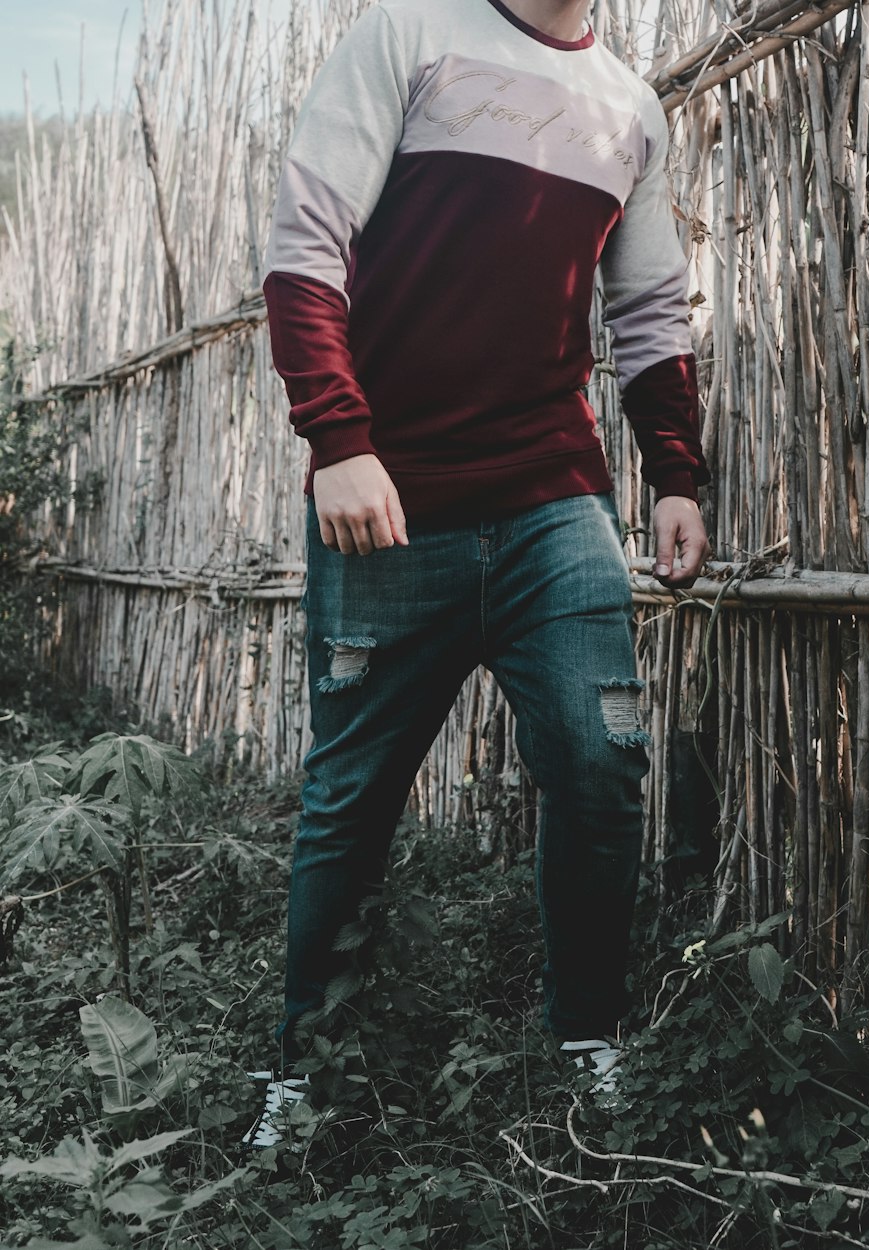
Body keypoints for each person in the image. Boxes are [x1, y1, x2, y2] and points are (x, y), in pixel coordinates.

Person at [241, 0, 710, 1150]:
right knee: (351, 791)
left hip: (554, 496)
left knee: (601, 756)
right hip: (389, 500)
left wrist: (676, 475)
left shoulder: (627, 110)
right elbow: (307, 238)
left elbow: (648, 308)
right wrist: (339, 439)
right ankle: (306, 1071)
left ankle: (585, 1043)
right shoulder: (406, 38)